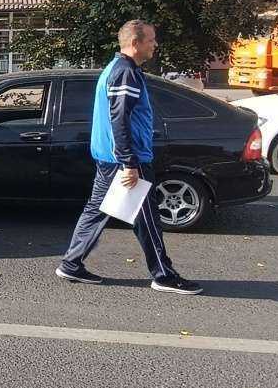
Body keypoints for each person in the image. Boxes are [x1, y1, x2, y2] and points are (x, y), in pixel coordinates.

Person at [57, 20, 202, 295]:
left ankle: (71, 263)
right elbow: (119, 118)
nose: (154, 44)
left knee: (97, 211)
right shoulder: (126, 73)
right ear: (135, 43)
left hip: (109, 158)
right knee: (146, 218)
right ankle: (163, 275)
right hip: (125, 160)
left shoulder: (118, 68)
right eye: (151, 39)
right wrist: (129, 163)